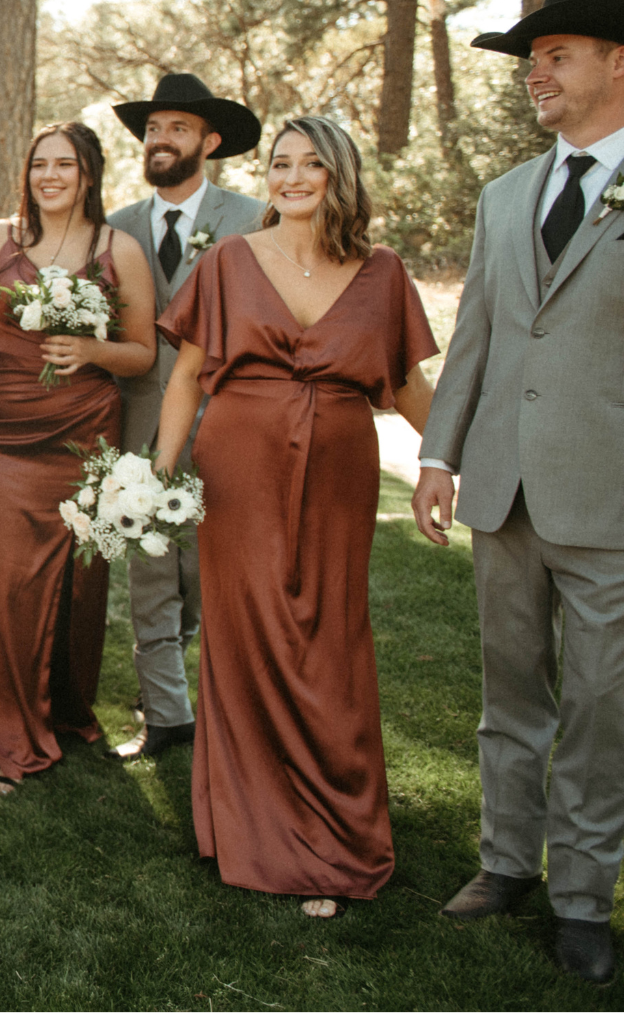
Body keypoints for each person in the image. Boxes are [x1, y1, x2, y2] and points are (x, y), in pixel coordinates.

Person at [157, 116, 437, 920]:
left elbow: (410, 386)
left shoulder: (380, 272)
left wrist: (453, 458)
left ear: (338, 175)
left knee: (327, 637)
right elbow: (185, 377)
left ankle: (333, 827)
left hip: (338, 472)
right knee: (245, 635)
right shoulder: (226, 260)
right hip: (238, 467)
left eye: (311, 163)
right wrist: (157, 472)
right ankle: (253, 824)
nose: (291, 176)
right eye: (279, 163)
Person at [414, 0, 624, 983]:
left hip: (607, 499)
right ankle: (504, 862)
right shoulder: (502, 196)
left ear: (615, 62)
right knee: (509, 695)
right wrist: (434, 457)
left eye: (553, 55)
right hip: (498, 490)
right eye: (527, 59)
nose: (531, 73)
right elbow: (477, 342)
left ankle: (582, 896)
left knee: (595, 705)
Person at [0, 123, 157, 794]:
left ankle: (56, 710)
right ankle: (5, 734)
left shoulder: (120, 250)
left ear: (88, 174)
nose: (48, 175)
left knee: (72, 590)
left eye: (64, 164)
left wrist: (91, 351)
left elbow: (141, 351)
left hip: (80, 433)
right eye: (38, 164)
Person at [104, 73, 265, 761]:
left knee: (205, 573)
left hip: (227, 425)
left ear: (209, 140)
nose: (159, 140)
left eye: (175, 128)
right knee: (148, 569)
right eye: (151, 129)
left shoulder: (253, 219)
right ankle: (167, 713)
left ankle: (210, 685)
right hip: (139, 420)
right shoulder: (117, 228)